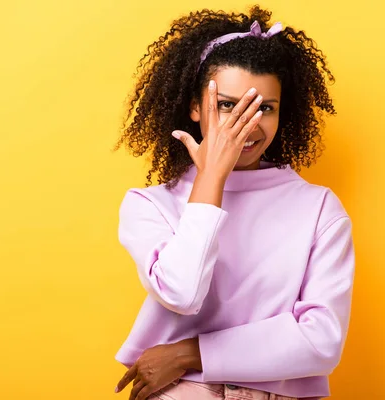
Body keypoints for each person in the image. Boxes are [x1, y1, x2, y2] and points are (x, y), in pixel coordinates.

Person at [113, 5, 355, 400]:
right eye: (228, 105)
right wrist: (211, 177)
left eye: (265, 107)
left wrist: (190, 352)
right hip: (185, 391)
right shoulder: (149, 205)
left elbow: (322, 341)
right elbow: (182, 294)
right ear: (195, 107)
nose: (249, 123)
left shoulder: (319, 209)